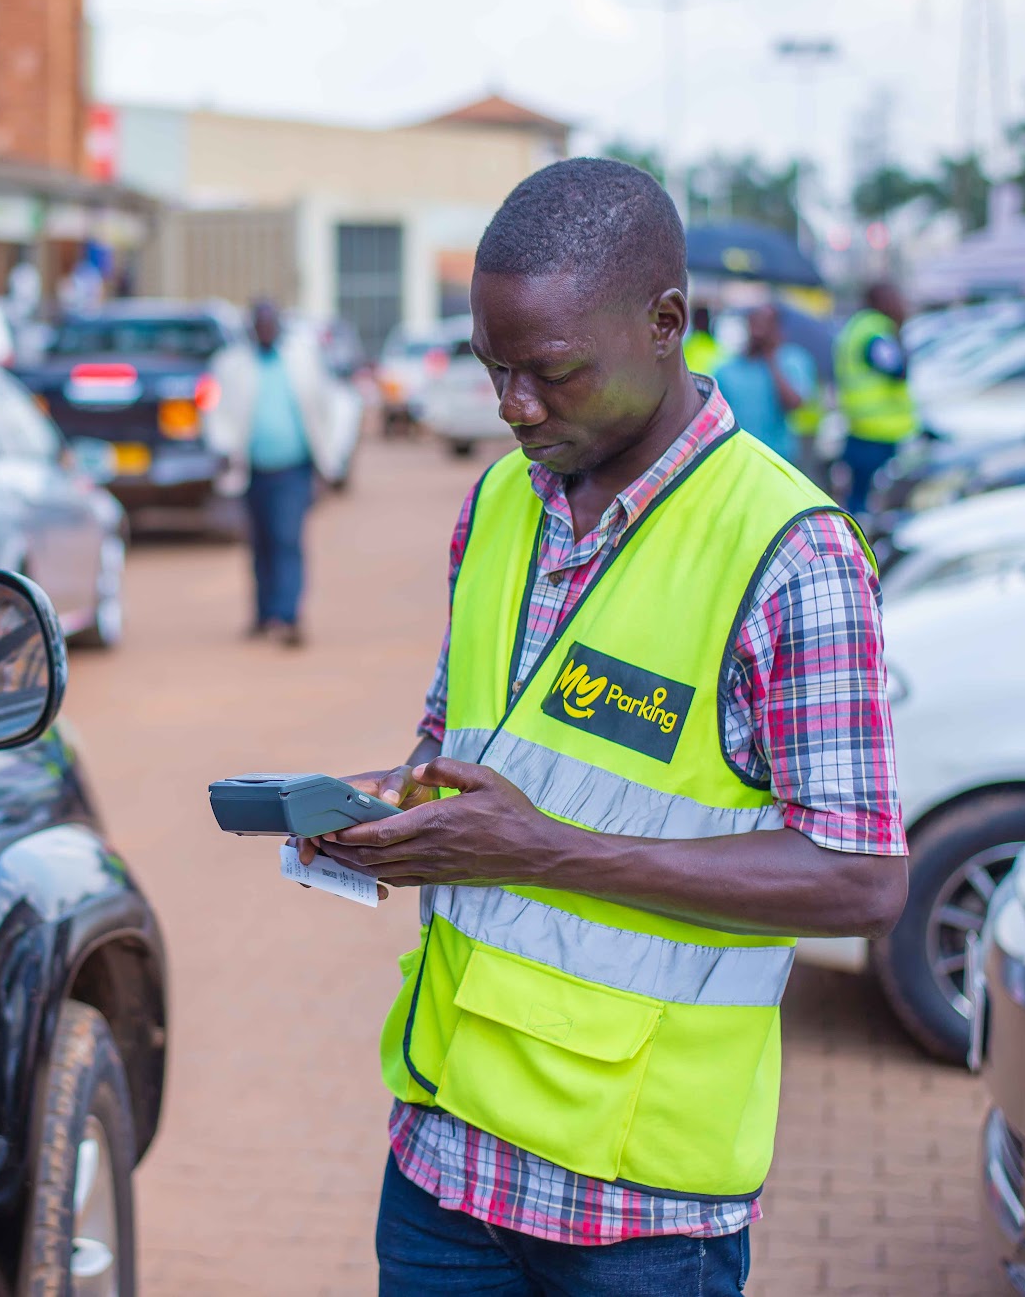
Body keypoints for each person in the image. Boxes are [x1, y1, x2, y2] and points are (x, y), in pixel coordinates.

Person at [298, 158, 907, 1295]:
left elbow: (860, 880)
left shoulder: (790, 555)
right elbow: (459, 749)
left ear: (668, 323)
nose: (514, 405)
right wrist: (391, 809)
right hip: (444, 1162)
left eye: (551, 372)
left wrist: (545, 853)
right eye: (494, 371)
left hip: (637, 1211)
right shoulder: (496, 503)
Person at [205, 300, 345, 647]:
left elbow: (325, 408)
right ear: (252, 328)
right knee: (260, 544)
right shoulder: (231, 364)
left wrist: (328, 462)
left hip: (293, 470)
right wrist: (220, 449)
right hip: (251, 471)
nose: (266, 329)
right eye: (260, 324)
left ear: (280, 326)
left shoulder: (302, 359)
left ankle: (288, 616)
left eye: (271, 323)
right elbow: (216, 411)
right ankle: (264, 613)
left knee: (286, 539)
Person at [833, 281, 919, 512]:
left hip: (862, 427)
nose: (900, 304)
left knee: (859, 498)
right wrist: (899, 330)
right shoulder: (874, 330)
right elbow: (897, 369)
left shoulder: (856, 327)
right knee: (871, 503)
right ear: (880, 301)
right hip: (878, 433)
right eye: (895, 298)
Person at [714, 303, 821, 471]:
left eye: (766, 324)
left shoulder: (792, 360)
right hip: (738, 457)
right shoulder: (727, 368)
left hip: (779, 458)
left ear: (777, 328)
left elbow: (794, 404)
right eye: (755, 323)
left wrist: (771, 359)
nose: (759, 330)